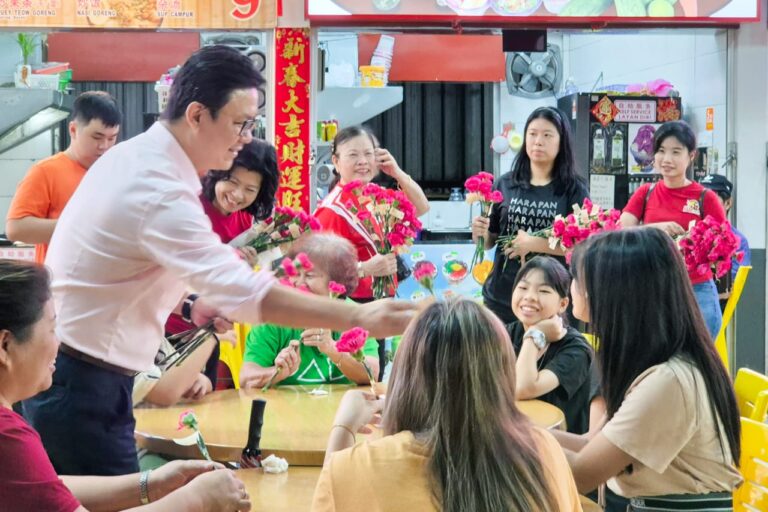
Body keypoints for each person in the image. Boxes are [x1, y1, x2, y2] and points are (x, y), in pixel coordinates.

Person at [22, 45, 416, 477]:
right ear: (196, 115)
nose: (246, 137)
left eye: (251, 125)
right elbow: (246, 294)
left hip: (82, 377)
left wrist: (191, 304)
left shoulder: (145, 160)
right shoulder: (159, 185)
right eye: (239, 123)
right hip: (83, 386)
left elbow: (123, 269)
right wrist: (362, 316)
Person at [0, 259, 251, 512]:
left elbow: (47, 488)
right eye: (52, 329)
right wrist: (198, 500)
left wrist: (153, 484)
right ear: (5, 345)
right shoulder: (8, 436)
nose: (59, 343)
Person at [312, 298, 582, 511]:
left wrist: (343, 428)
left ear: (406, 377)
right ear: (500, 375)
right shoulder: (544, 451)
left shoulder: (356, 468)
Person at [553, 228, 742, 512]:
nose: (572, 287)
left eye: (577, 279)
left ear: (608, 292)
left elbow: (582, 474)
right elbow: (590, 444)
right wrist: (515, 430)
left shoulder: (668, 381)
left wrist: (509, 438)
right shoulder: (657, 363)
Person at [164, 139, 279, 391]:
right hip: (171, 328)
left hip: (209, 334)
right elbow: (171, 268)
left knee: (204, 402)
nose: (237, 195)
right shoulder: (191, 207)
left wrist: (245, 267)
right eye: (232, 182)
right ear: (217, 172)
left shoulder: (245, 220)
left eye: (250, 189)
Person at [314, 126, 429, 374]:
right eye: (353, 155)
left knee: (379, 375)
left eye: (368, 154)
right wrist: (364, 268)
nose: (363, 161)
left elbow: (421, 207)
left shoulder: (377, 196)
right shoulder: (330, 210)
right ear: (336, 162)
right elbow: (318, 271)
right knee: (365, 376)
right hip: (351, 308)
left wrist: (397, 172)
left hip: (381, 303)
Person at [473, 106, 589, 325]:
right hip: (503, 296)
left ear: (561, 141)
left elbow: (580, 247)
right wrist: (480, 234)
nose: (538, 142)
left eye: (547, 135)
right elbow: (491, 240)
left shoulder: (574, 189)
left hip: (551, 299)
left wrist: (533, 243)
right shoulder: (505, 183)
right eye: (532, 134)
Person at [621, 121, 727, 338]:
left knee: (695, 356)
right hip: (652, 288)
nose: (666, 159)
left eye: (676, 152)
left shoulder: (706, 198)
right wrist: (654, 229)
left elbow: (723, 244)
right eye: (661, 151)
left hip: (696, 291)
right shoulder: (645, 193)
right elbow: (620, 232)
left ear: (691, 156)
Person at [240, 233, 379, 388]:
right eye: (295, 274)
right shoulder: (274, 318)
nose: (298, 283)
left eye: (309, 275)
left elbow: (372, 374)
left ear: (337, 281)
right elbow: (246, 379)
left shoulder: (355, 316)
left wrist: (332, 349)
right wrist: (278, 372)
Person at [6, 91, 121, 263]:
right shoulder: (46, 171)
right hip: (59, 277)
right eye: (97, 137)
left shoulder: (117, 172)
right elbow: (16, 229)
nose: (104, 146)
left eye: (112, 138)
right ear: (73, 130)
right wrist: (79, 227)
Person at [507, 256, 592, 434]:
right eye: (523, 288)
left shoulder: (576, 349)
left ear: (563, 304)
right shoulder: (505, 333)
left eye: (543, 291)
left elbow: (523, 388)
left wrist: (535, 335)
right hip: (513, 434)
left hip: (559, 442)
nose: (529, 297)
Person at [700, 173, 752, 306]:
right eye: (701, 198)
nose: (704, 204)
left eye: (711, 198)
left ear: (728, 203)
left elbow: (729, 284)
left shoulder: (738, 241)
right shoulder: (689, 233)